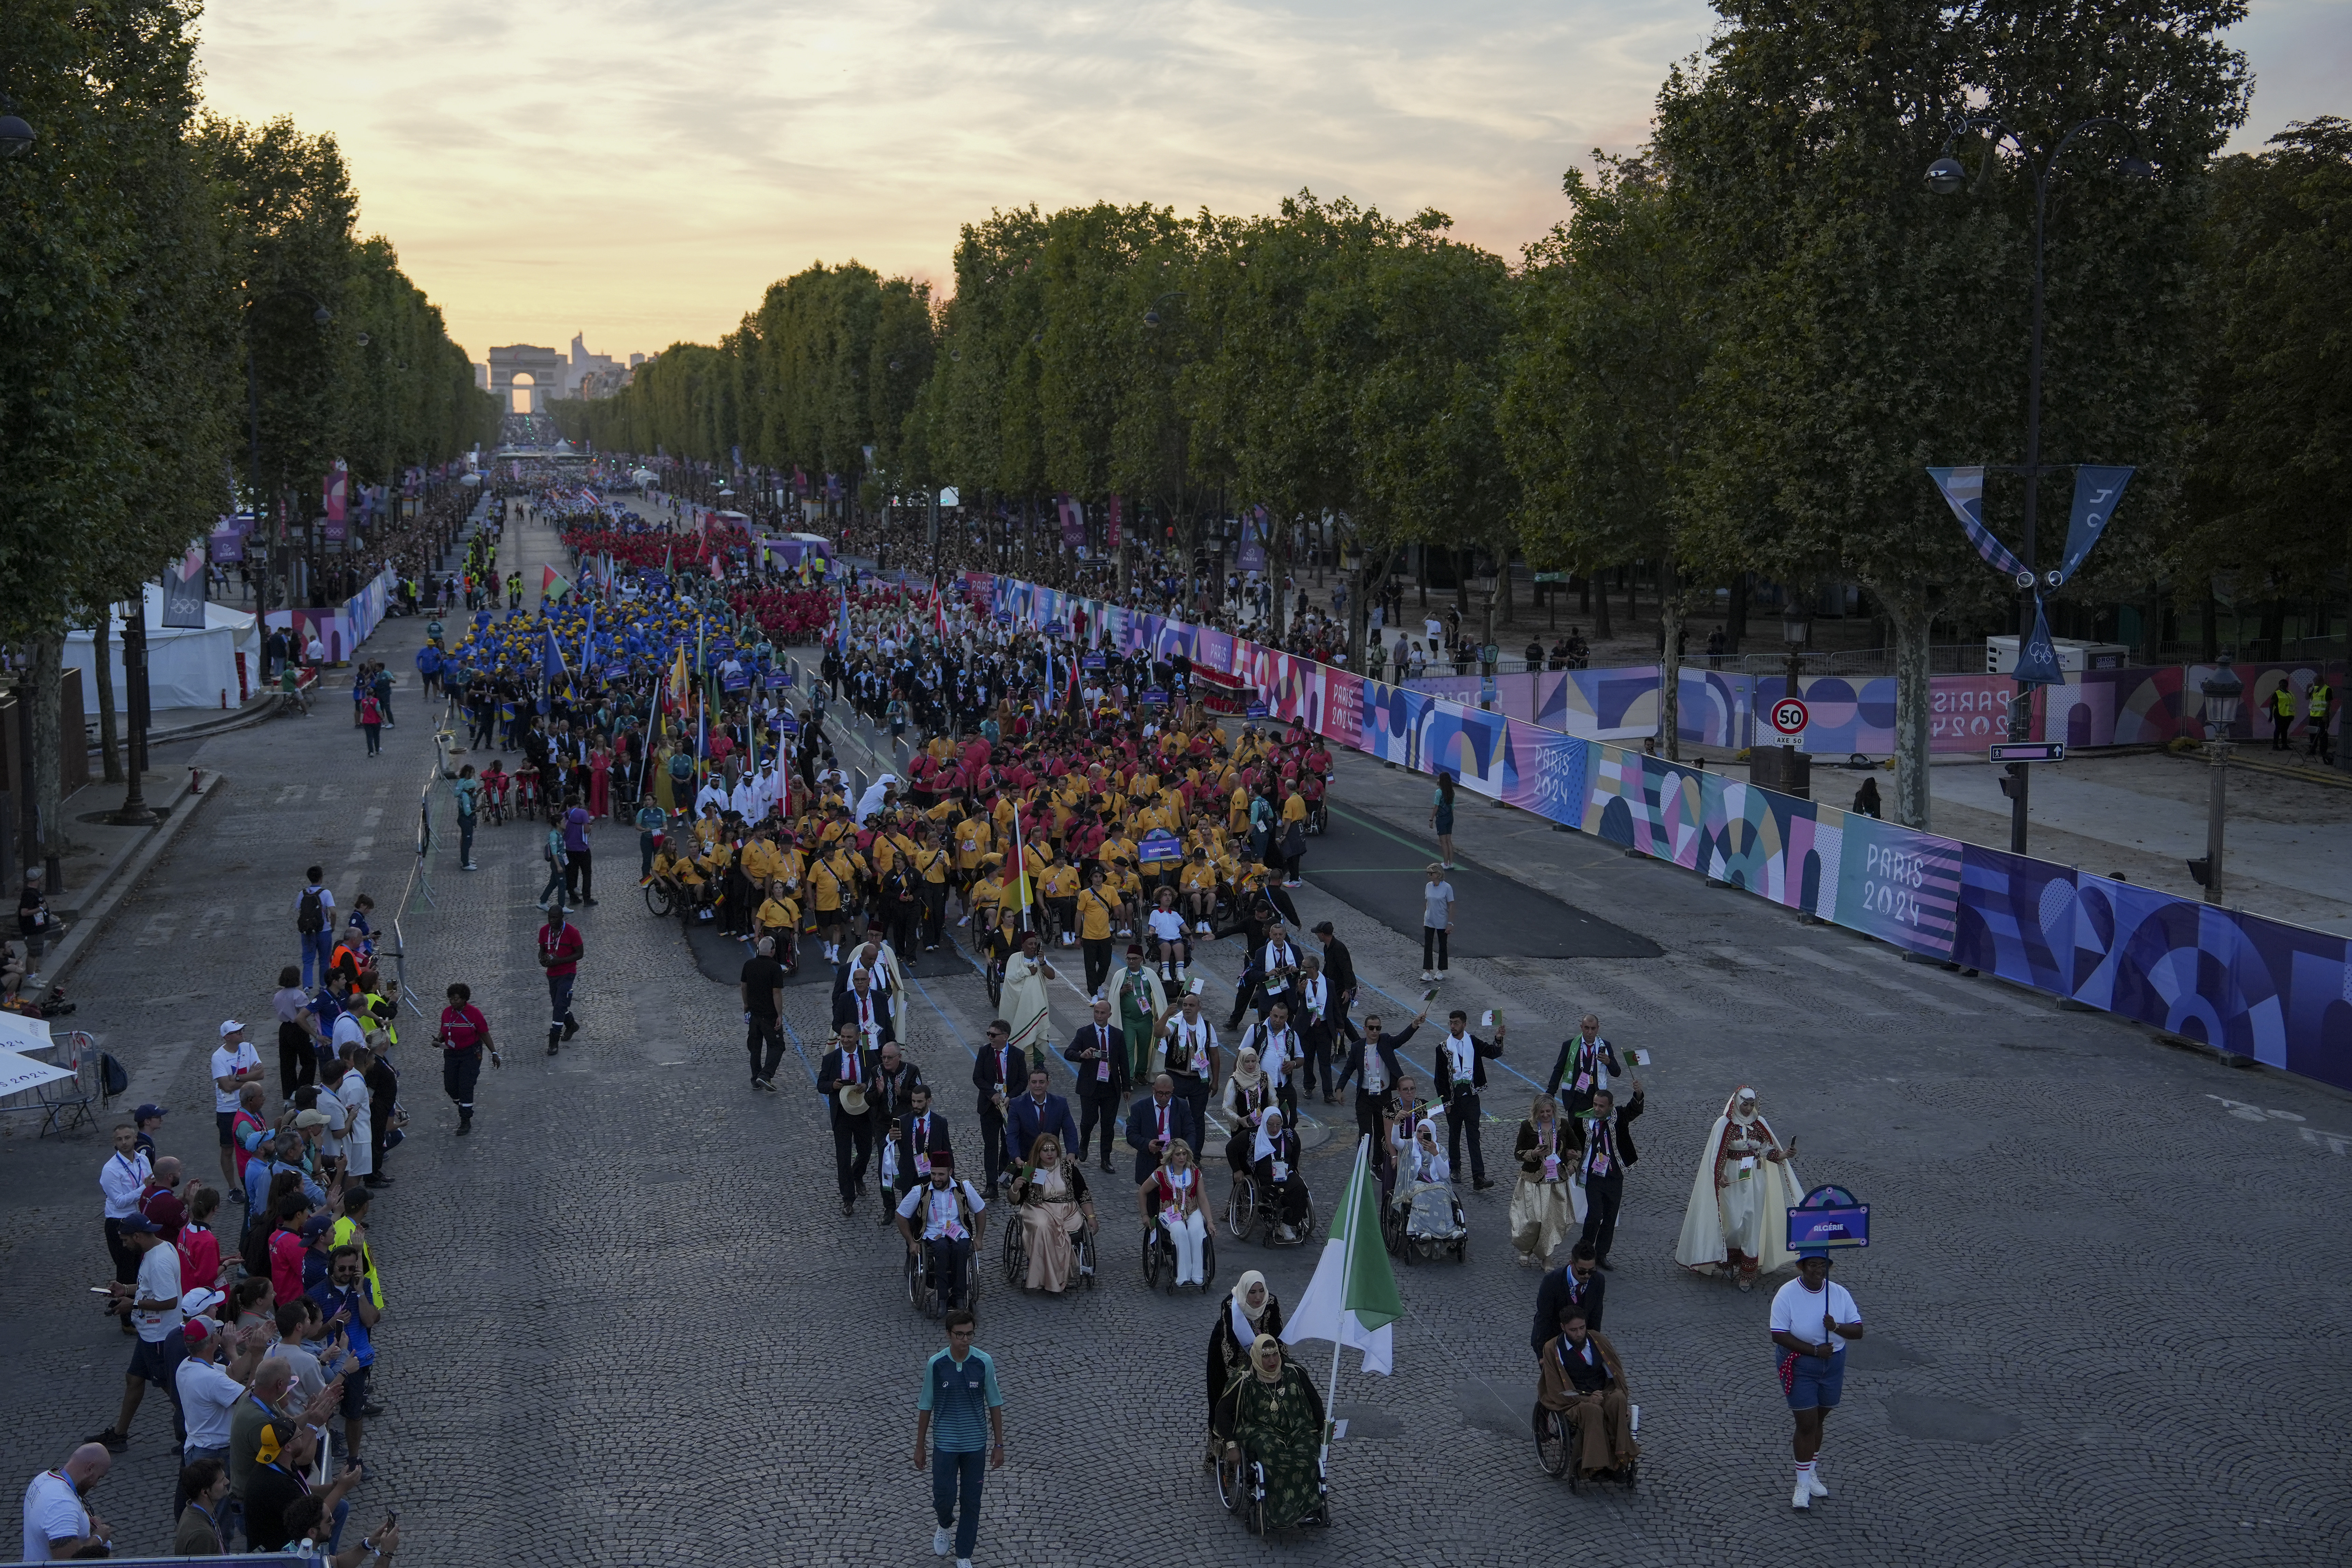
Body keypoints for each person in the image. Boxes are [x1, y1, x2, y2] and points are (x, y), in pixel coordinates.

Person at [1674, 1086, 1803, 1290]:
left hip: (1755, 1178)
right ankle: (1725, 1259)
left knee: (1752, 1221)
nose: (1748, 1109)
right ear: (1736, 1102)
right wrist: (1721, 1176)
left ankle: (1747, 1273)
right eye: (1745, 1104)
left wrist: (1784, 1155)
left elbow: (1768, 1152)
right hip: (1733, 1178)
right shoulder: (1724, 1124)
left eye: (1752, 1105)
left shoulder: (1760, 1124)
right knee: (1733, 1221)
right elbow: (1716, 1155)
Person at [1771, 1251, 1864, 1509]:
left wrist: (1835, 1328)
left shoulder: (1839, 1293)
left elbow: (1858, 1331)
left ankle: (1810, 1471)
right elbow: (1778, 1335)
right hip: (1801, 1364)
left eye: (1823, 1266)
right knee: (1806, 1421)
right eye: (1813, 1265)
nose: (1818, 1271)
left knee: (1819, 1419)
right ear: (1802, 1267)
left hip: (1833, 1365)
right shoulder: (1787, 1294)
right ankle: (1801, 1484)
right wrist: (1813, 1351)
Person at [913, 1307, 1003, 1568]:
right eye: (960, 1335)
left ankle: (964, 1555)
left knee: (971, 1501)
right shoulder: (937, 1365)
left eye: (970, 1334)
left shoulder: (984, 1362)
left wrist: (999, 1444)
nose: (965, 1340)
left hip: (975, 1445)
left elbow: (995, 1403)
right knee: (944, 1496)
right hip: (945, 1444)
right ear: (949, 1335)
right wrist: (920, 1446)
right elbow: (926, 1405)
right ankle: (944, 1523)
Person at [87, 1212, 183, 1454]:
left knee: (173, 1391)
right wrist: (126, 1289)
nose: (123, 1244)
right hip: (149, 1333)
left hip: (159, 1336)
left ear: (138, 1236)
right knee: (134, 1379)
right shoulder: (160, 1249)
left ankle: (196, 1434)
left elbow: (170, 1300)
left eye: (125, 1240)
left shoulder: (159, 1261)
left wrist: (134, 1304)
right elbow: (151, 1286)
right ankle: (120, 1435)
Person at [1218, 1335, 1326, 1529]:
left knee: (1310, 1452)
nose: (1272, 1361)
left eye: (1275, 1354)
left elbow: (1315, 1402)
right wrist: (1231, 1445)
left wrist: (1323, 1432)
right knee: (1271, 1454)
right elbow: (1223, 1412)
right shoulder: (1243, 1379)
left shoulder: (1294, 1372)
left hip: (1297, 1429)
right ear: (1257, 1357)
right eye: (1266, 1356)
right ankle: (1275, 1509)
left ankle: (1308, 1507)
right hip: (1260, 1431)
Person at [1536, 1305, 1639, 1480]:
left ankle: (1619, 1459)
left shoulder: (1598, 1341)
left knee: (1618, 1399)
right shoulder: (1553, 1349)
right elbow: (1556, 1390)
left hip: (1601, 1392)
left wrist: (1620, 1402)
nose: (1579, 1334)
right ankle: (1596, 1466)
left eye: (1582, 1328)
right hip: (1575, 1401)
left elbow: (1615, 1374)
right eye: (1573, 1330)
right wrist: (1586, 1399)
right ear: (1563, 1328)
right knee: (1593, 1411)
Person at [309, 1245, 381, 1461]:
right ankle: (323, 1457)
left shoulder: (364, 1286)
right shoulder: (316, 1294)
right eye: (342, 1268)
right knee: (325, 1413)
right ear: (332, 1268)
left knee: (354, 1414)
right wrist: (331, 1324)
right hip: (328, 1363)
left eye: (352, 1268)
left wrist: (360, 1293)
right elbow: (310, 1335)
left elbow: (369, 1320)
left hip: (358, 1362)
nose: (348, 1273)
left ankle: (353, 1459)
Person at [895, 1154, 989, 1312]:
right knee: (941, 1249)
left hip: (959, 1232)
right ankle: (942, 1298)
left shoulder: (964, 1187)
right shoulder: (921, 1191)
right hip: (933, 1234)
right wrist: (911, 1242)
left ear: (950, 1172)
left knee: (961, 1250)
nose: (937, 1178)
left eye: (941, 1174)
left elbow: (980, 1210)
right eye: (933, 1174)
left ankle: (960, 1297)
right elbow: (901, 1215)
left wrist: (979, 1237)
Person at [1005, 1132, 1095, 1292]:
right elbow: (1015, 1200)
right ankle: (1047, 1277)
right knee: (1043, 1225)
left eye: (1052, 1150)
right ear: (1038, 1152)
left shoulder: (1068, 1168)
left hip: (1067, 1212)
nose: (1049, 1153)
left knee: (1060, 1226)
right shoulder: (1029, 1169)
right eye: (1045, 1150)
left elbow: (1083, 1193)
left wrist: (1091, 1217)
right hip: (1038, 1209)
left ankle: (1055, 1275)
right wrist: (1015, 1188)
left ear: (1058, 1151)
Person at [1569, 1081, 1642, 1268]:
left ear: (1611, 1105)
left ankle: (1601, 1255)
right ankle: (1584, 1249)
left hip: (1615, 1174)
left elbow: (1634, 1109)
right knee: (1594, 1215)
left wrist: (1639, 1093)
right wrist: (1571, 1154)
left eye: (1602, 1106)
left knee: (1610, 1217)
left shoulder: (1619, 1115)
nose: (1597, 1109)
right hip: (1593, 1174)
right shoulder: (1584, 1119)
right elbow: (1574, 1142)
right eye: (1595, 1105)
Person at [1432, 1006, 1504, 1191]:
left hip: (1472, 1097)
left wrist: (1498, 1039)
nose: (1453, 1027)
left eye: (1456, 1023)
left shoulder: (1473, 1042)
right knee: (1454, 1135)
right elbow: (1439, 1079)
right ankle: (1455, 1168)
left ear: (1464, 1024)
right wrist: (1446, 1102)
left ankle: (1478, 1176)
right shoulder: (1442, 1049)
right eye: (1451, 1023)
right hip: (1454, 1100)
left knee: (1474, 1136)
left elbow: (1493, 1053)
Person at [1206, 1271, 1283, 1443]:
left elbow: (1279, 1336)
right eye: (1253, 1293)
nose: (1258, 1298)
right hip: (1226, 1355)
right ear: (1244, 1292)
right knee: (1225, 1401)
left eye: (1261, 1291)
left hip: (1264, 1357)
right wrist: (1238, 1377)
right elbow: (1228, 1345)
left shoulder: (1271, 1303)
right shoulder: (1231, 1305)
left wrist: (1281, 1366)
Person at [1061, 996, 1129, 1173]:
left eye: (1102, 1013)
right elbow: (1069, 1053)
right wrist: (1081, 1056)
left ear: (1110, 1015)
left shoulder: (1118, 1034)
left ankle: (1105, 1159)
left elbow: (1124, 1062)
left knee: (1108, 1124)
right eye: (1096, 1012)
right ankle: (1084, 1142)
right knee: (1089, 1120)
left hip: (1111, 1086)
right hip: (1090, 1086)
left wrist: (1127, 1087)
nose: (1099, 1016)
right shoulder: (1084, 1033)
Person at [816, 1022, 878, 1216]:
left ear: (858, 1037)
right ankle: (848, 1199)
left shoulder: (868, 1056)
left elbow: (878, 1078)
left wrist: (866, 1084)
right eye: (842, 1037)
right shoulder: (831, 1059)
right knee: (843, 1158)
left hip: (863, 1111)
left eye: (849, 1037)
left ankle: (857, 1175)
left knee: (866, 1152)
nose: (845, 1040)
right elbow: (821, 1084)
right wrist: (832, 1086)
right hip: (842, 1113)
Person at [1511, 1094, 1579, 1267]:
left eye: (1549, 1111)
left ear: (1554, 1111)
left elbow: (1577, 1148)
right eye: (1542, 1112)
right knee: (1533, 1220)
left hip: (1557, 1181)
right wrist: (1534, 1154)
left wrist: (1572, 1165)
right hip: (1533, 1181)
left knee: (1552, 1222)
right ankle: (1526, 1249)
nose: (1546, 1115)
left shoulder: (1563, 1125)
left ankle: (1546, 1256)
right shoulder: (1527, 1127)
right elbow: (1518, 1153)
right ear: (1536, 1112)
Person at [1140, 1136, 1214, 1287]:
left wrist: (1211, 1221)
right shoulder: (1160, 1173)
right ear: (1171, 1156)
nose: (1182, 1158)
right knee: (1179, 1231)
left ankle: (1198, 1274)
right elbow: (1142, 1192)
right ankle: (1182, 1275)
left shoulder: (1195, 1173)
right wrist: (1145, 1215)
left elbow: (1203, 1198)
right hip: (1169, 1212)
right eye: (1178, 1154)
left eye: (1184, 1154)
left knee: (1197, 1231)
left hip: (1192, 1210)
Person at [20, 1443, 113, 1560]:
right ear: (90, 1468)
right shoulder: (62, 1504)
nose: (95, 1485)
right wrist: (98, 1538)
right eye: (98, 1478)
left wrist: (82, 1520)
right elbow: (68, 1561)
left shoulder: (44, 1478)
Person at [970, 1020, 1028, 1192]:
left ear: (1005, 1037)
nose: (990, 1038)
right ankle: (991, 1185)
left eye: (993, 1035)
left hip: (1010, 1107)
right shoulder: (984, 1052)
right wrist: (992, 1094)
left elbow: (1023, 1081)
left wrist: (1010, 1096)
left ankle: (1003, 1174)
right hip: (989, 1107)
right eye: (989, 1033)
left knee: (1008, 1144)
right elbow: (977, 1078)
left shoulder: (1018, 1055)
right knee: (991, 1146)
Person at [436, 982, 498, 1134]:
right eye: (451, 999)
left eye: (456, 999)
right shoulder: (446, 1013)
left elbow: (484, 1034)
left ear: (464, 999)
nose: (453, 1002)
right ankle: (463, 1104)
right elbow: (444, 1031)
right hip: (451, 1054)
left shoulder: (474, 1013)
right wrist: (438, 1040)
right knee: (450, 1086)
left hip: (471, 1054)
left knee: (466, 1086)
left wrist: (494, 1053)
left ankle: (465, 1120)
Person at [211, 1020, 264, 1194]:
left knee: (260, 1141)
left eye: (242, 1029)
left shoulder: (249, 1048)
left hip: (250, 1106)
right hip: (228, 1109)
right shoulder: (218, 1057)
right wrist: (249, 1078)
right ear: (227, 1037)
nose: (242, 1032)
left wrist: (238, 1079)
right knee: (227, 1149)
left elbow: (261, 1074)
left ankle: (261, 1177)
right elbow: (226, 1087)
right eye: (237, 1031)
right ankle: (233, 1188)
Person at [1530, 1243, 1608, 1356]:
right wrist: (1544, 1354)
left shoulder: (1598, 1281)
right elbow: (1544, 1319)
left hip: (1580, 1343)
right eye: (1582, 1271)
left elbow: (1596, 1316)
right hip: (1552, 1341)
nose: (1587, 1276)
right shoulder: (1552, 1282)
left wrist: (1594, 1347)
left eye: (1591, 1271)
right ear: (1571, 1263)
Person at [1122, 1072, 1197, 1185]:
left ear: (1173, 1090)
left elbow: (1191, 1132)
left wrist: (1184, 1152)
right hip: (1149, 1165)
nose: (1164, 1098)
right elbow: (1131, 1135)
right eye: (1160, 1093)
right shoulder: (1140, 1108)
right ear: (1153, 1089)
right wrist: (1147, 1144)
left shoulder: (1182, 1106)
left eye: (1168, 1094)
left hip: (1175, 1164)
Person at [1543, 1013, 1621, 1119]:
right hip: (1574, 1099)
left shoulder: (1605, 1046)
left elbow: (1617, 1073)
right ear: (1581, 1028)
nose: (1590, 1032)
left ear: (1598, 1029)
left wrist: (1609, 1062)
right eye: (1587, 1028)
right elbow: (1559, 1069)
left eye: (1593, 1029)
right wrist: (1550, 1093)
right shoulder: (1569, 1045)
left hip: (1595, 1099)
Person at [1250, 1107, 1310, 1243]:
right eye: (1271, 1125)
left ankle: (1287, 1224)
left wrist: (1294, 1166)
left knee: (1301, 1188)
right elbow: (1232, 1148)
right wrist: (1238, 1170)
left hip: (1285, 1173)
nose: (1275, 1129)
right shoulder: (1253, 1135)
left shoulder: (1288, 1133)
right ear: (1264, 1123)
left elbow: (1297, 1147)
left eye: (1278, 1125)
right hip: (1266, 1178)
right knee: (1275, 1194)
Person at [1004, 1065, 1079, 1172]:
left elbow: (1070, 1130)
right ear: (1029, 1083)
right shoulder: (1017, 1105)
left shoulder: (1060, 1104)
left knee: (1053, 1187)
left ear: (1048, 1083)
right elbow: (1012, 1134)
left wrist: (1071, 1153)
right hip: (1027, 1160)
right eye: (1034, 1082)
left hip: (1051, 1159)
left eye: (1042, 1082)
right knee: (1030, 1187)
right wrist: (1017, 1158)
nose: (1038, 1086)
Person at [997, 930, 1057, 1062]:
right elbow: (1010, 979)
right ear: (1023, 945)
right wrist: (1027, 971)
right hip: (1018, 1007)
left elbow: (1052, 976)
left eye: (1035, 944)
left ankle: (1039, 1063)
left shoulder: (1040, 960)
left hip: (1036, 1006)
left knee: (1038, 1035)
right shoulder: (1014, 959)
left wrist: (1042, 963)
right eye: (1030, 944)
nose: (1033, 947)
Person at [741, 936, 788, 1091]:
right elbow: (776, 993)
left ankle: (755, 1079)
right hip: (769, 1015)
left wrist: (747, 1004)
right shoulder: (775, 968)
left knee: (755, 1048)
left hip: (754, 1014)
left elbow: (744, 986)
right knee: (777, 1046)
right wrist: (779, 1014)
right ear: (773, 951)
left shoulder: (749, 965)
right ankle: (766, 1075)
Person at [536, 904, 583, 1056]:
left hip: (568, 973)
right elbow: (542, 950)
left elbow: (580, 954)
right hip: (552, 974)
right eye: (550, 917)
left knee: (559, 1005)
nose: (551, 921)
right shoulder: (544, 931)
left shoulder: (573, 932)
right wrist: (542, 959)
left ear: (562, 917)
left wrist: (560, 961)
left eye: (555, 918)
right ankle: (571, 1025)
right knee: (558, 1003)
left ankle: (554, 1040)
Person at [173, 1454, 232, 1554]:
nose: (227, 1482)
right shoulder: (202, 1536)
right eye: (221, 1481)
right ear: (205, 1492)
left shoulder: (193, 1510)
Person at [295, 870, 336, 989]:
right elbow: (333, 912)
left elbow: (300, 910)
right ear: (321, 878)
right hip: (324, 931)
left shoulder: (302, 894)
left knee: (308, 961)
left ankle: (307, 987)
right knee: (324, 960)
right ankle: (323, 986)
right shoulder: (326, 893)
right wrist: (333, 926)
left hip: (308, 931)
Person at [1419, 863, 1455, 983]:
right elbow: (1427, 902)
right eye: (1428, 873)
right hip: (1430, 919)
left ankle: (1441, 970)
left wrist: (1450, 923)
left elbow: (1451, 905)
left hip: (1442, 920)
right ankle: (1428, 972)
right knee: (1428, 946)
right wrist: (1425, 918)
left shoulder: (1447, 888)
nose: (1429, 875)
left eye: (1431, 873)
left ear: (1438, 874)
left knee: (1442, 945)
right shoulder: (1428, 886)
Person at [1429, 771, 1457, 869]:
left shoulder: (1439, 792)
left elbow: (1436, 807)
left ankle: (1445, 863)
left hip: (1442, 818)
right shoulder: (1452, 792)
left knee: (1443, 841)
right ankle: (1451, 863)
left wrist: (1431, 819)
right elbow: (1452, 807)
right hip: (1450, 817)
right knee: (1449, 841)